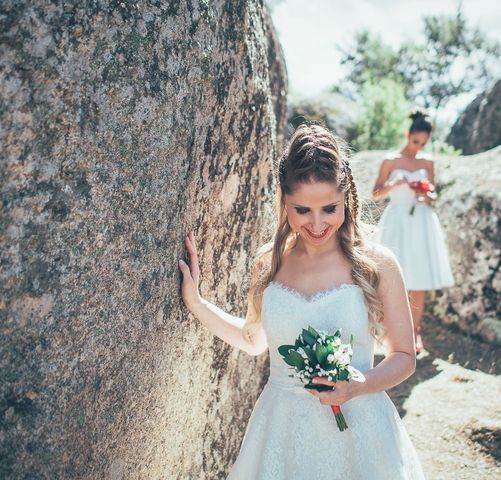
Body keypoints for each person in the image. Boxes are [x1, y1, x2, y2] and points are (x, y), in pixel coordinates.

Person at [179, 124, 425, 479]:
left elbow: (403, 357)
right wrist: (196, 303)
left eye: (329, 208)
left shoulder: (378, 263)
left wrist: (361, 384)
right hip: (280, 429)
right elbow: (252, 340)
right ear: (284, 200)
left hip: (360, 428)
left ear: (346, 197)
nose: (317, 223)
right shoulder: (269, 261)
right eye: (302, 210)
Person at [371, 109, 455, 355]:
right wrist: (392, 185)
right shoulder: (390, 161)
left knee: (419, 278)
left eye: (423, 143)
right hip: (396, 219)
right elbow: (376, 192)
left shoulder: (427, 162)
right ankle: (389, 333)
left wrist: (427, 195)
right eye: (415, 141)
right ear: (408, 134)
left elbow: (433, 193)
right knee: (390, 276)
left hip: (420, 220)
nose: (418, 147)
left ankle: (414, 332)